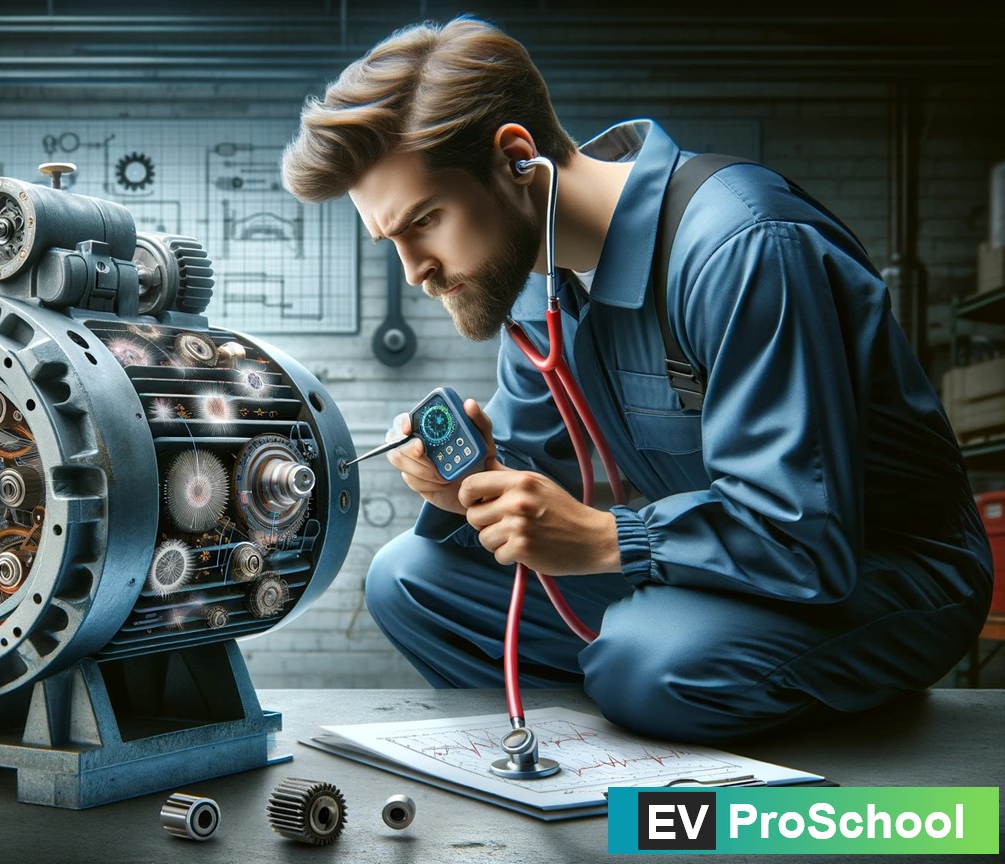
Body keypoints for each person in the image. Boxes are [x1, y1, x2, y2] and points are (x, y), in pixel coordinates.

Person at [281, 15, 993, 743]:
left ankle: (657, 713)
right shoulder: (537, 280)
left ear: (517, 159)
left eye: (424, 220)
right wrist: (472, 487)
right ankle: (602, 737)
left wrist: (601, 539)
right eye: (391, 240)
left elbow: (802, 534)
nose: (415, 269)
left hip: (879, 571)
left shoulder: (741, 249)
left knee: (643, 661)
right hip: (717, 562)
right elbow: (545, 480)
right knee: (409, 581)